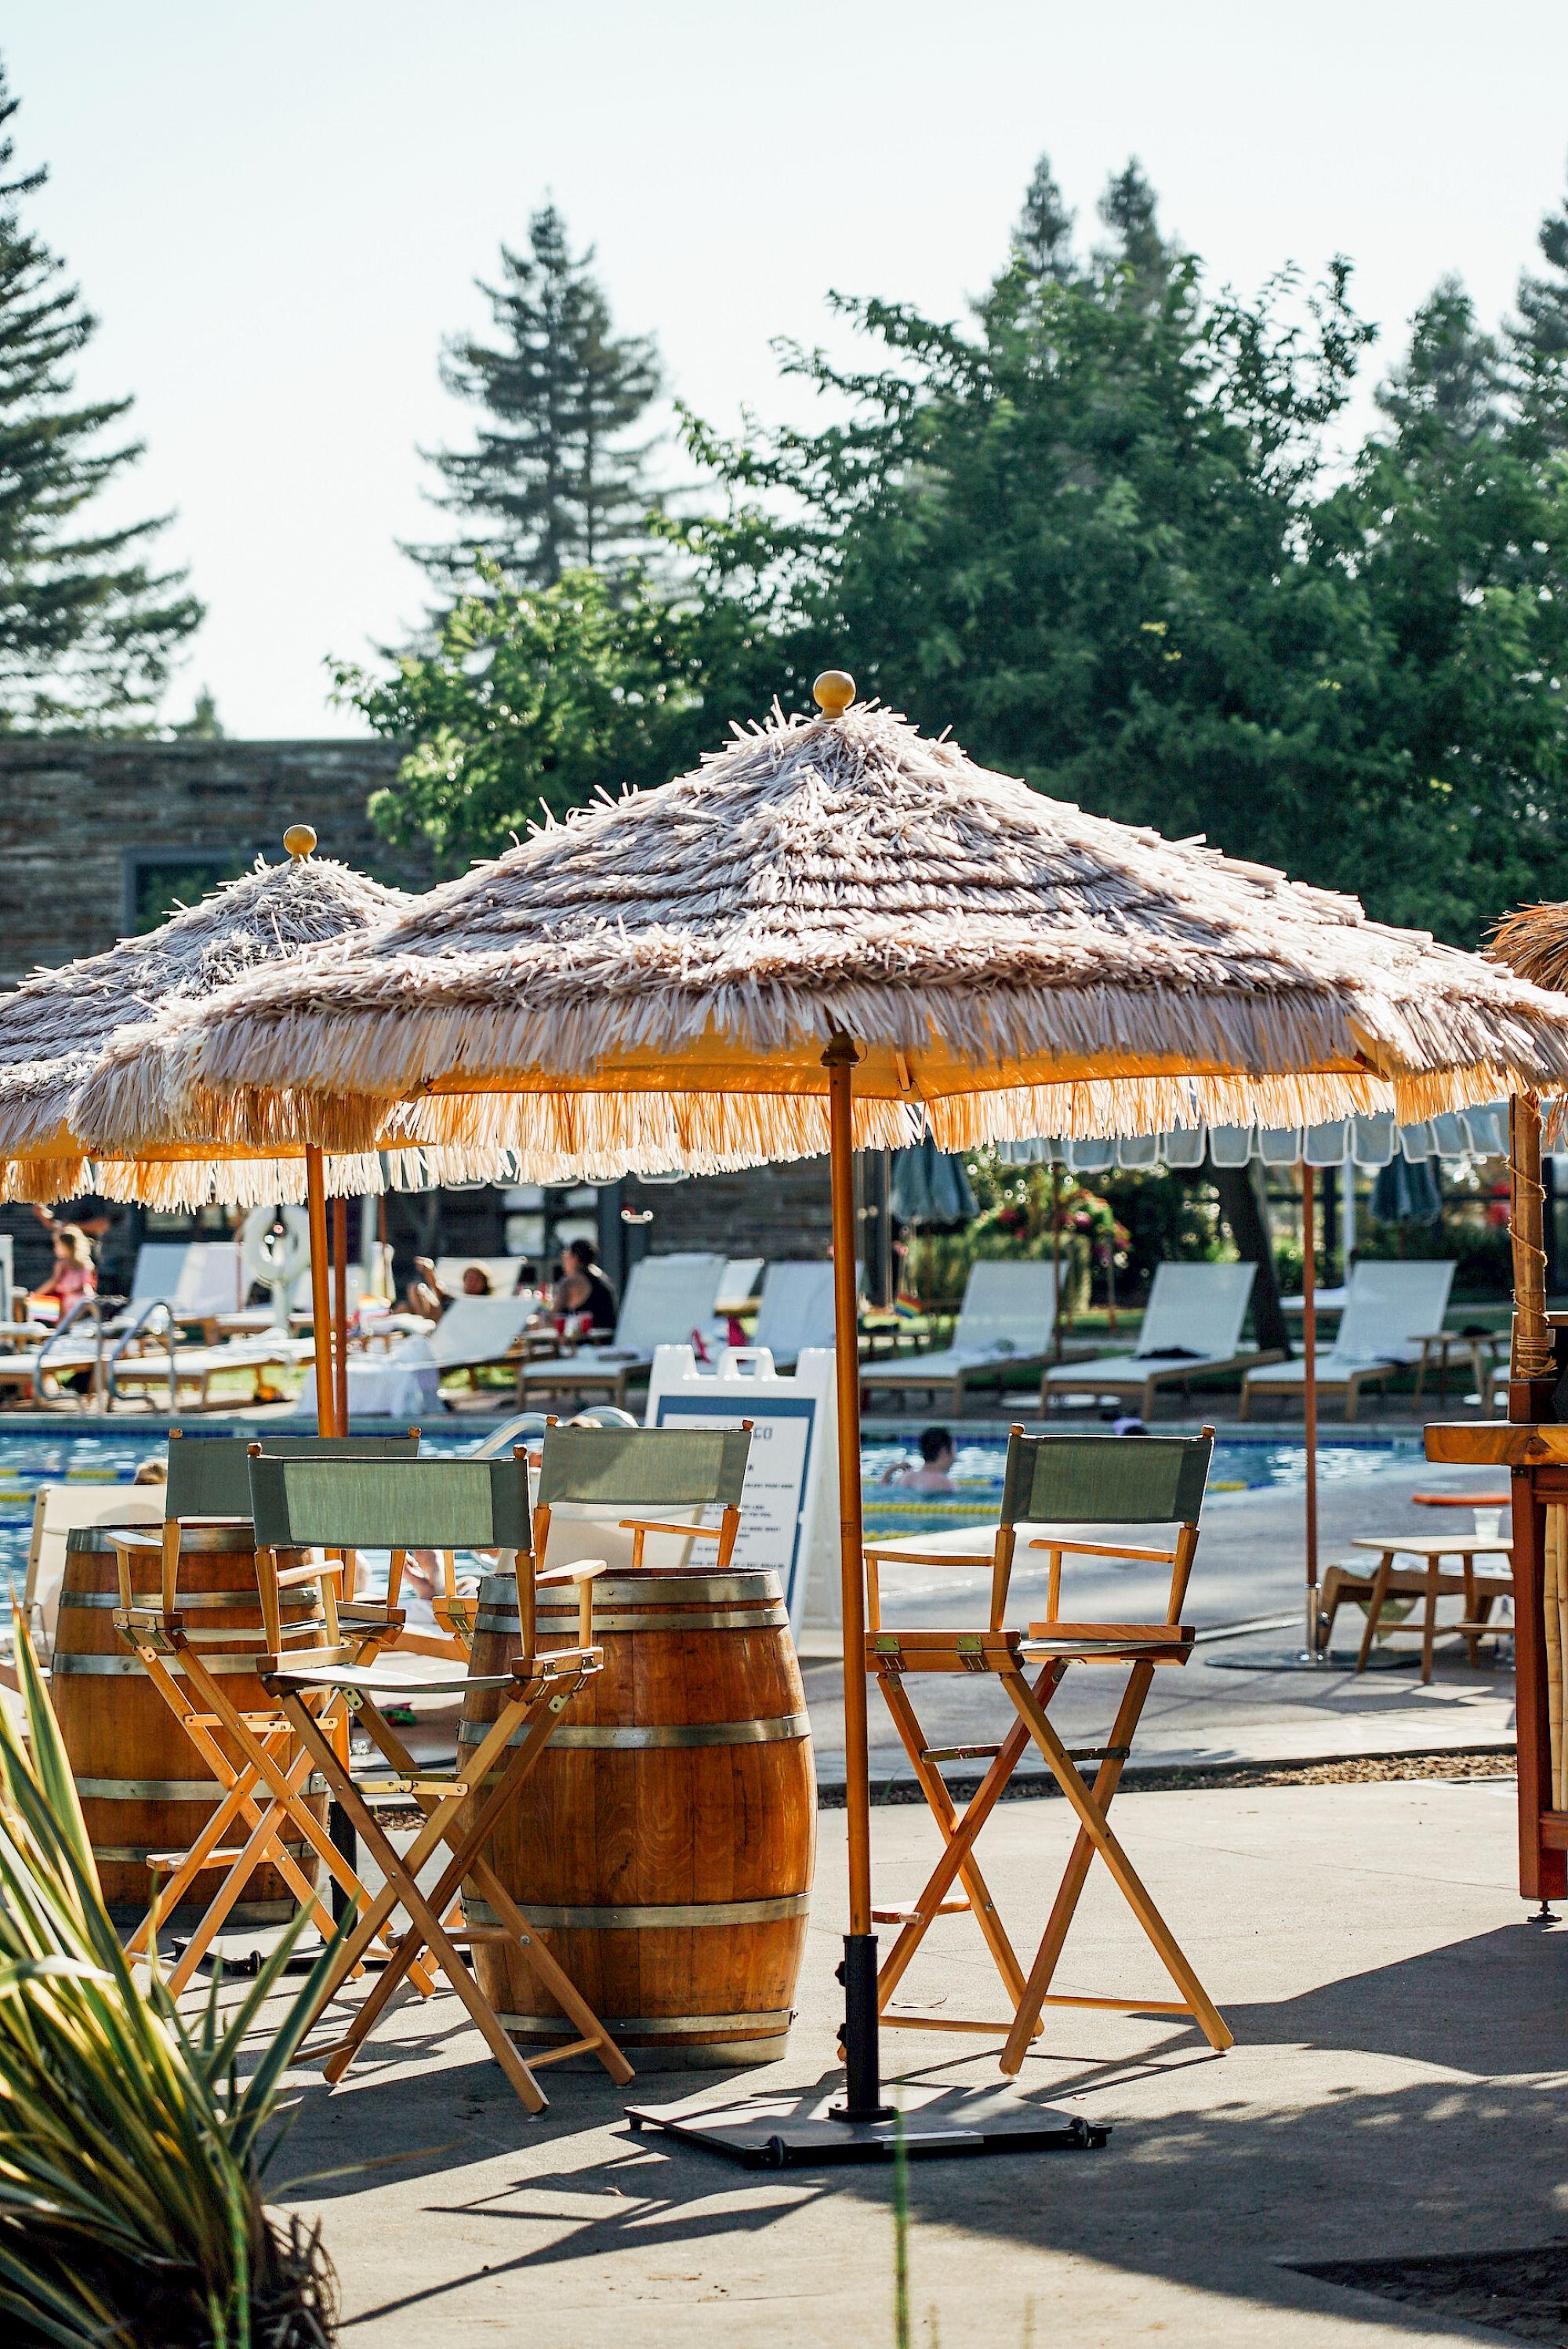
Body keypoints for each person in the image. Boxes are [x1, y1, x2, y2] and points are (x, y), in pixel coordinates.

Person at [27, 1225, 96, 1325]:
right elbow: (88, 1286)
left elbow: (53, 1282)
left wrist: (36, 1294)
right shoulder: (86, 1263)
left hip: (69, 1300)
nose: (55, 1249)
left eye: (57, 1245)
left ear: (65, 1246)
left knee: (34, 1306)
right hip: (84, 1299)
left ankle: (31, 1331)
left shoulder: (63, 1264)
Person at [552, 1240, 617, 1338]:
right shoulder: (600, 1275)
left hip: (588, 1342)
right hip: (608, 1338)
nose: (563, 1260)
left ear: (575, 1258)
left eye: (566, 1255)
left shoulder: (572, 1281)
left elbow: (554, 1316)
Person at [883, 1426, 957, 1492]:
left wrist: (890, 1470)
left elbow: (884, 1489)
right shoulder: (945, 1484)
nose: (955, 1457)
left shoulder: (906, 1477)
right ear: (944, 1452)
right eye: (954, 1451)